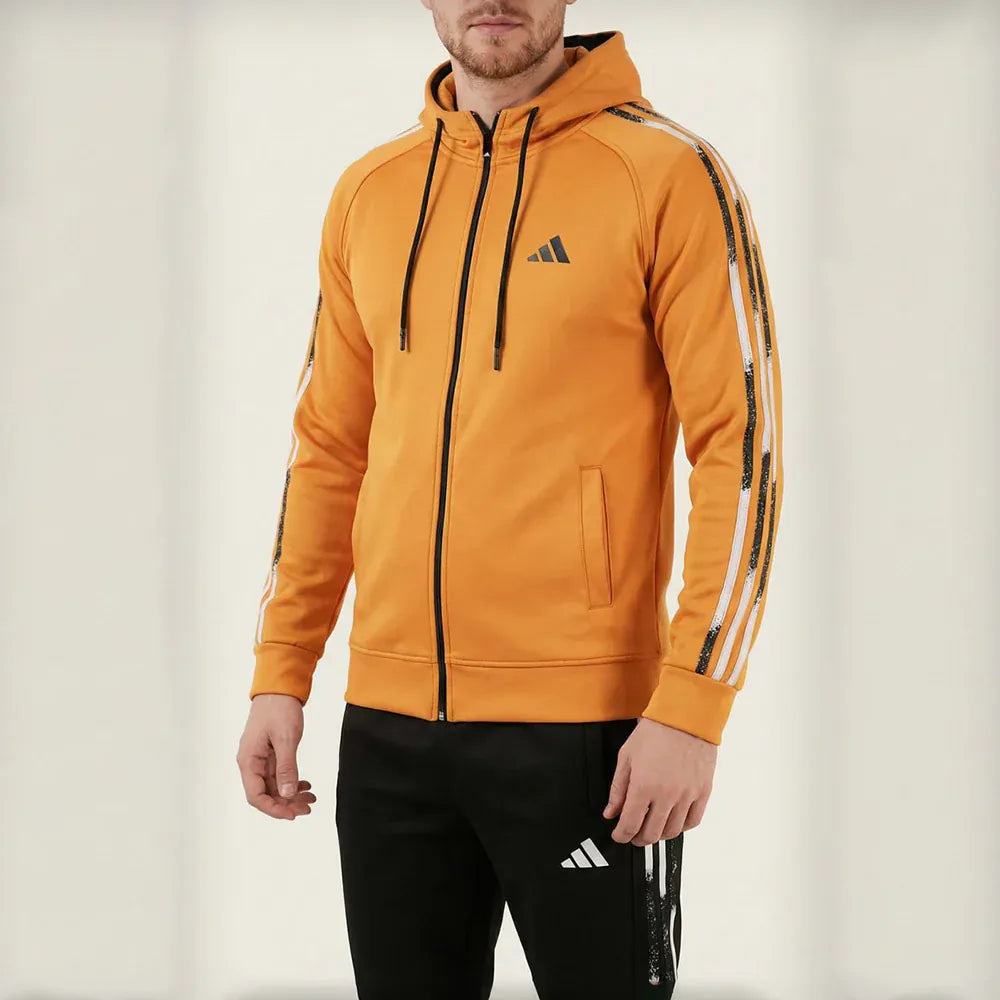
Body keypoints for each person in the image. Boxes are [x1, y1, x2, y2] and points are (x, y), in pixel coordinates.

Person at [236, 2, 783, 997]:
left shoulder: (666, 174)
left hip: (589, 736)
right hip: (390, 730)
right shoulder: (370, 191)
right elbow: (329, 449)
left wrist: (692, 709)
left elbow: (742, 451)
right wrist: (282, 670)